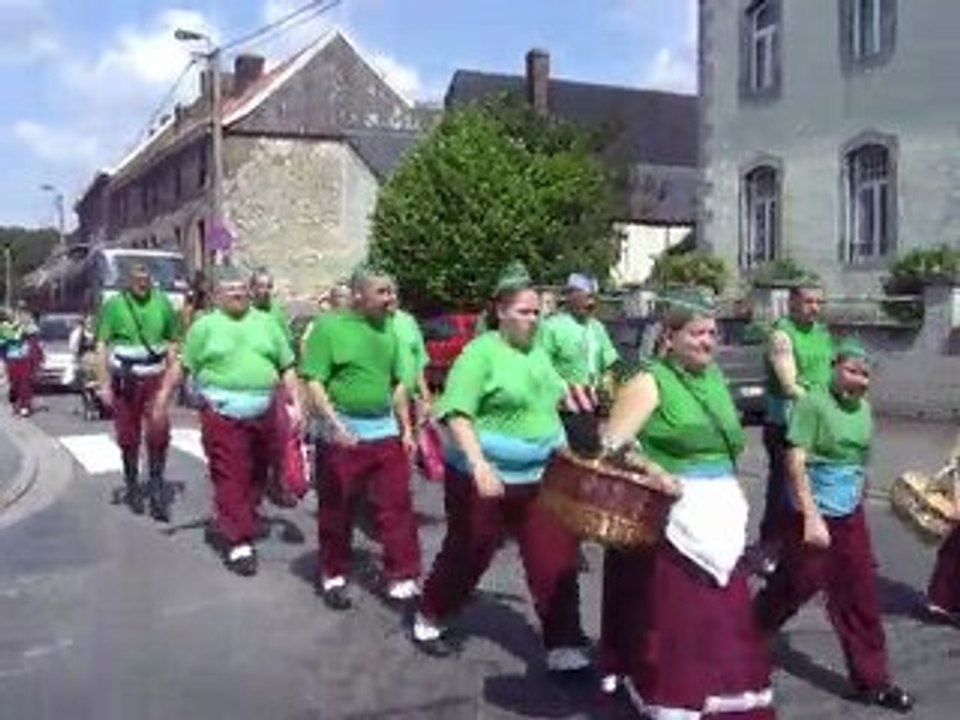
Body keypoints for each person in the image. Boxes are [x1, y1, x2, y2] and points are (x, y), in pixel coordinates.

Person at [600, 286, 774, 718]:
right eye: (697, 333)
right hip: (676, 517)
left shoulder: (714, 378)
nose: (707, 341)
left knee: (730, 616)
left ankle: (731, 703)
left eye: (713, 333)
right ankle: (676, 701)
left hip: (721, 516)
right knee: (686, 619)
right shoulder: (648, 380)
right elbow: (612, 445)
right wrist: (655, 470)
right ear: (670, 335)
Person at [409, 261, 590, 675]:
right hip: (483, 476)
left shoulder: (540, 354)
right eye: (525, 312)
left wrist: (568, 457)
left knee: (554, 556)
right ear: (501, 312)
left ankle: (563, 643)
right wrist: (478, 464)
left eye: (536, 312)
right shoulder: (480, 353)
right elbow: (456, 414)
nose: (533, 319)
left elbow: (548, 410)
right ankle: (431, 615)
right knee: (470, 549)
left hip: (540, 476)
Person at [753, 339, 913, 713]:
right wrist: (810, 516)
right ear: (835, 367)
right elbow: (794, 460)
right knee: (794, 587)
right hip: (811, 514)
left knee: (860, 596)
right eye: (851, 370)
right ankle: (743, 642)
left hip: (849, 513)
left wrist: (861, 493)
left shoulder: (864, 410)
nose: (858, 379)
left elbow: (859, 459)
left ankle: (873, 680)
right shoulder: (813, 403)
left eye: (865, 374)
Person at [153, 267, 302, 576]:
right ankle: (238, 542)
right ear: (217, 295)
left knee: (258, 472)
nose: (238, 293)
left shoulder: (267, 324)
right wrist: (163, 397)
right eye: (230, 289)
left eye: (241, 288)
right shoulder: (204, 326)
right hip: (223, 413)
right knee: (230, 474)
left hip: (265, 411)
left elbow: (286, 365)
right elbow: (184, 365)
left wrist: (296, 403)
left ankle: (243, 513)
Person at [301, 264, 421, 610]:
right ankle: (334, 573)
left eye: (392, 291)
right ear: (359, 295)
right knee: (338, 508)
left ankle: (402, 577)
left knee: (396, 506)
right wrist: (335, 425)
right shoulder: (330, 329)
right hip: (343, 435)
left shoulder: (390, 329)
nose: (390, 299)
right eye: (382, 292)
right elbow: (314, 380)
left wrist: (406, 429)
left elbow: (398, 382)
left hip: (384, 433)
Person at [756, 280, 834, 574]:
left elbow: (831, 372)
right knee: (785, 490)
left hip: (818, 423)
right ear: (792, 303)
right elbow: (789, 384)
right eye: (809, 301)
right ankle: (771, 547)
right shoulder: (781, 335)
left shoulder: (822, 334)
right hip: (786, 422)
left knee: (817, 486)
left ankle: (807, 546)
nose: (815, 307)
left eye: (819, 302)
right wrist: (822, 404)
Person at [95, 262, 180, 520]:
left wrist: (170, 378)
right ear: (128, 281)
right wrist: (103, 384)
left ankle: (156, 488)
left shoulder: (163, 303)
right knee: (128, 435)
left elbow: (173, 341)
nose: (141, 284)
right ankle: (132, 486)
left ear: (151, 280)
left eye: (145, 279)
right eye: (136, 279)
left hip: (154, 378)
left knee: (158, 431)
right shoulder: (114, 306)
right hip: (125, 380)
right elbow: (101, 345)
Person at [539, 272, 619, 454]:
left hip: (595, 406)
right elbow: (541, 368)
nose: (590, 303)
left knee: (599, 454)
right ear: (569, 297)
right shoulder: (552, 327)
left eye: (593, 297)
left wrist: (608, 397)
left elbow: (608, 364)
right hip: (565, 409)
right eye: (585, 297)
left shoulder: (597, 328)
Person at [0, 305, 40, 417]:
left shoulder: (29, 327)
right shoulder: (4, 327)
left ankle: (25, 406)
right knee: (14, 384)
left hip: (25, 359)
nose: (16, 316)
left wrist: (36, 360)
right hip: (12, 359)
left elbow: (34, 339)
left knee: (25, 384)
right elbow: (13, 337)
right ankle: (15, 405)